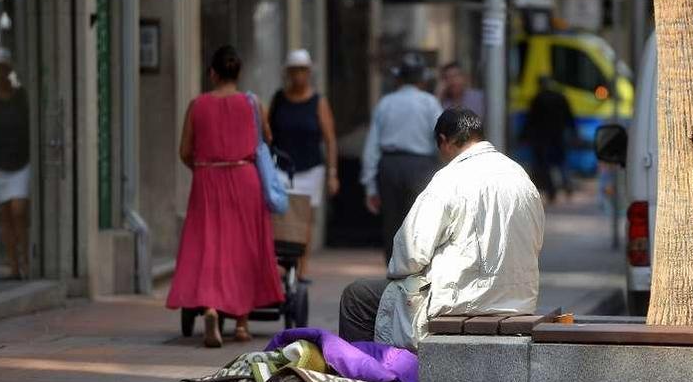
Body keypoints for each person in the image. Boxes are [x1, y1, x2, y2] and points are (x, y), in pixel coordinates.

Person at [340, 107, 545, 346]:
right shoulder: (520, 175)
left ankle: (370, 379)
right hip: (519, 301)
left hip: (462, 299)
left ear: (443, 141)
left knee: (357, 296)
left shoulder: (449, 179)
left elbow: (410, 254)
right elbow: (536, 241)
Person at [167, 45, 284, 348]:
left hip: (207, 179)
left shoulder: (197, 105)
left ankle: (210, 309)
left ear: (212, 73)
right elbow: (268, 138)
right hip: (245, 179)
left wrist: (205, 168)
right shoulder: (253, 103)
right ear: (238, 72)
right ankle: (242, 324)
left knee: (209, 247)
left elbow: (184, 151)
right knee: (243, 249)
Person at [361, 52, 443, 262]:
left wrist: (370, 185)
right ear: (422, 79)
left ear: (398, 78)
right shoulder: (430, 103)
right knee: (420, 224)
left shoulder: (386, 103)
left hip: (389, 166)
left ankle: (393, 273)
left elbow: (372, 147)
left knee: (392, 225)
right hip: (421, 167)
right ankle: (417, 275)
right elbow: (441, 140)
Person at [268, 49, 339, 282]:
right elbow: (266, 132)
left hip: (311, 168)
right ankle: (279, 265)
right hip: (281, 166)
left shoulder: (319, 102)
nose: (298, 75)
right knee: (278, 215)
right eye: (294, 71)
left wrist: (332, 173)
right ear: (287, 73)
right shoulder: (278, 99)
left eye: (302, 71)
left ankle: (301, 268)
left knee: (304, 218)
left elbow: (329, 139)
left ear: (309, 73)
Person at [0, 48, 31, 280]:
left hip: (21, 161)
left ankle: (26, 259)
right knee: (5, 214)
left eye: (3, 69)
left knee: (19, 210)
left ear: (9, 71)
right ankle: (14, 266)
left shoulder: (20, 96)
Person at [522, 76, 576, 203]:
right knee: (561, 161)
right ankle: (567, 185)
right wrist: (573, 130)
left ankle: (552, 191)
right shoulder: (560, 97)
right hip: (558, 134)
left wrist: (524, 135)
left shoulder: (538, 99)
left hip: (543, 136)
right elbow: (569, 116)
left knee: (544, 164)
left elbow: (531, 119)